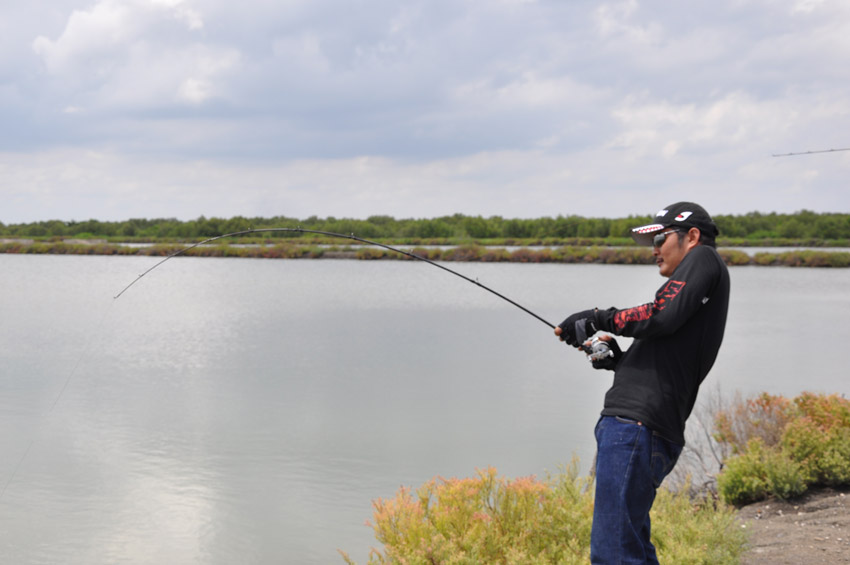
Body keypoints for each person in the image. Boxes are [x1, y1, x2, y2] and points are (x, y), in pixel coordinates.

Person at [555, 202, 730, 564]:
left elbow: (659, 315)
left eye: (661, 238)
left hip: (637, 427)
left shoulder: (705, 260)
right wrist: (618, 359)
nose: (654, 250)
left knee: (614, 552)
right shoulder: (693, 293)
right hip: (638, 426)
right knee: (628, 545)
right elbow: (666, 344)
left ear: (692, 237)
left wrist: (596, 318)